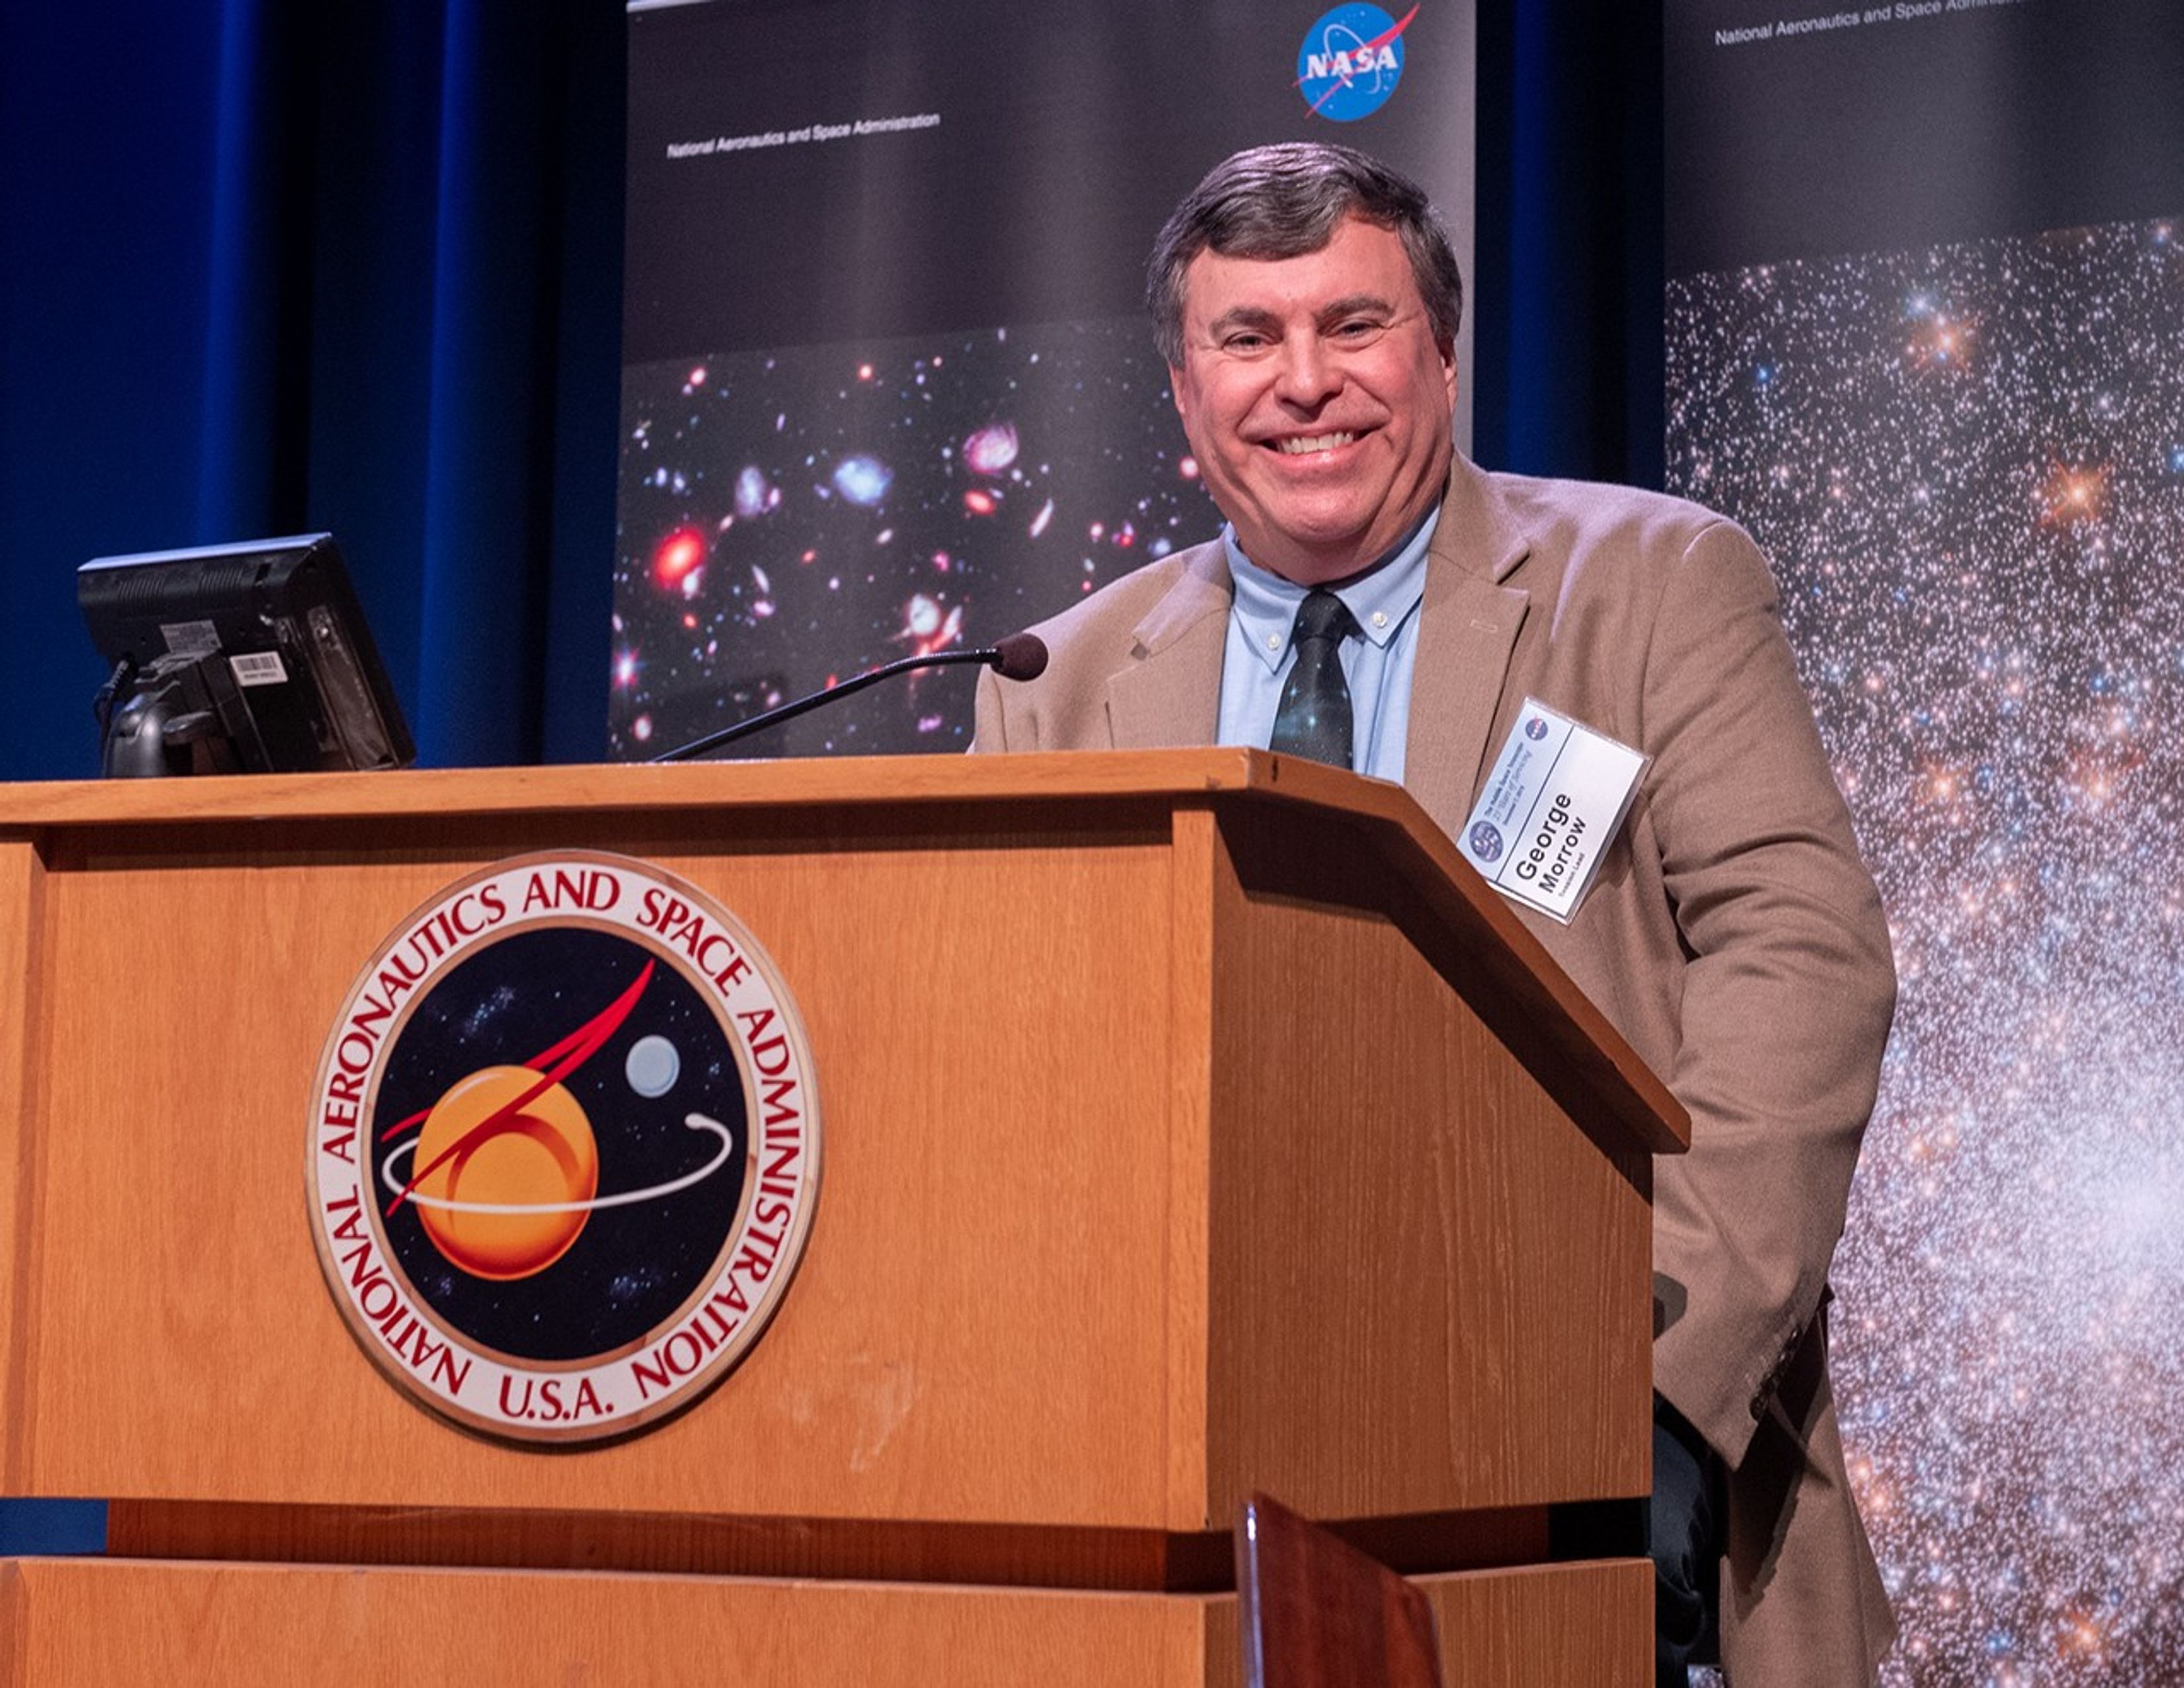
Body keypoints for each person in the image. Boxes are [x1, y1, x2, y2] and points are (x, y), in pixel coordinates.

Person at [972, 142, 1896, 1687]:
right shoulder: (1056, 682)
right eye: (1247, 339)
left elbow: (1803, 961)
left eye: (1354, 326)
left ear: (1445, 358)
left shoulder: (1654, 585)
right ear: (1187, 395)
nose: (1303, 382)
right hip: (1182, 1482)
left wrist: (1652, 1397)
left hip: (1583, 1432)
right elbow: (1015, 1093)